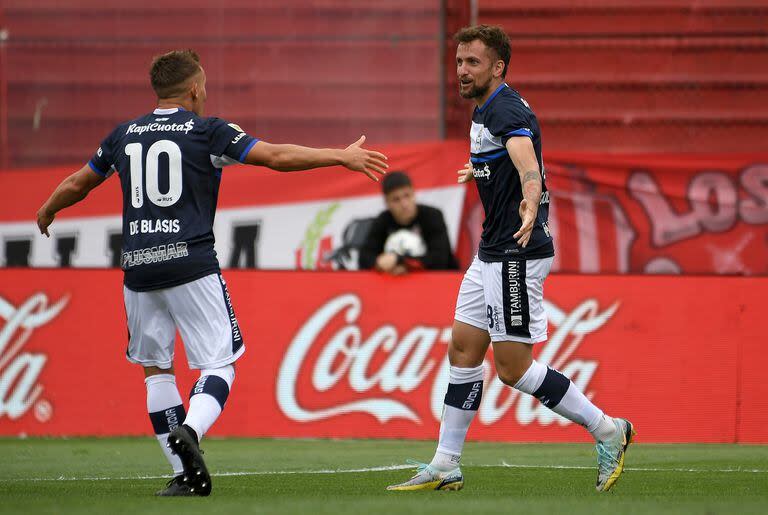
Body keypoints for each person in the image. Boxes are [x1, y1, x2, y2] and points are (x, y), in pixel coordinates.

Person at [35, 49, 387, 497]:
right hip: (192, 263)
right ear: (195, 89)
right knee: (219, 362)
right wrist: (338, 156)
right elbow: (275, 156)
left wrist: (48, 208)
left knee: (156, 369)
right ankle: (192, 432)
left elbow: (79, 182)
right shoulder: (207, 132)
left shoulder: (124, 134)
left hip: (138, 269)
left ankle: (185, 475)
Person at [387, 25, 633, 493]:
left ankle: (608, 430)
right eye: (459, 61)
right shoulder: (485, 109)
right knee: (462, 347)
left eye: (472, 63)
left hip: (516, 254)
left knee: (513, 368)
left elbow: (527, 163)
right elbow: (505, 156)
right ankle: (446, 464)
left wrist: (529, 195)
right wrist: (480, 169)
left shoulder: (503, 108)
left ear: (497, 67)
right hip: (491, 252)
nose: (461, 70)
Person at [358, 171, 459, 274]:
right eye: (396, 199)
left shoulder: (432, 216)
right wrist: (379, 263)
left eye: (407, 195)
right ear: (387, 202)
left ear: (414, 193)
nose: (404, 204)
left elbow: (440, 259)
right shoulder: (383, 220)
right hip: (394, 284)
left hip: (438, 282)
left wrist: (401, 261)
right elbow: (364, 257)